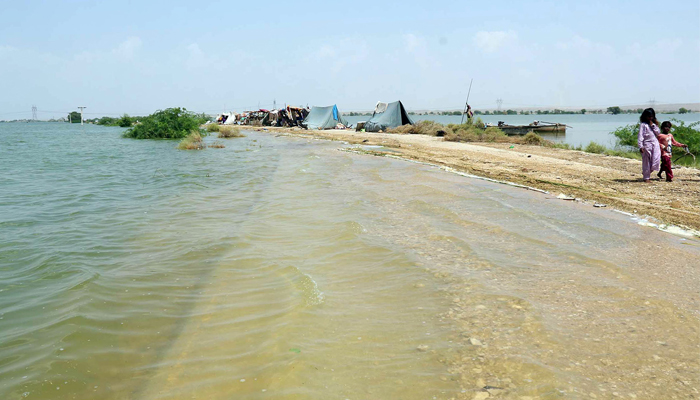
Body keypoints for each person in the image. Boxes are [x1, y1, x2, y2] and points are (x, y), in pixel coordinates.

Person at [637, 108, 661, 182]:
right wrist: (640, 146)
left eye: (651, 116)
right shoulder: (643, 125)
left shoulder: (654, 124)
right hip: (647, 144)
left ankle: (647, 172)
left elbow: (658, 133)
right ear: (645, 116)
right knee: (646, 161)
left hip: (655, 144)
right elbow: (640, 136)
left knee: (656, 160)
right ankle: (646, 177)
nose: (650, 118)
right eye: (648, 116)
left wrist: (653, 125)